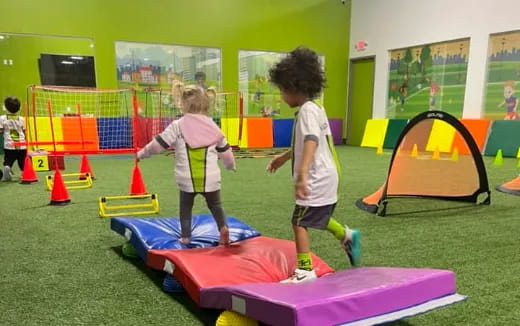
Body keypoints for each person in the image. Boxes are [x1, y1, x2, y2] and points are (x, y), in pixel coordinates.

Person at [266, 47, 361, 284]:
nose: (282, 96)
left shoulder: (307, 111)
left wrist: (302, 173)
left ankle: (306, 271)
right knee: (315, 214)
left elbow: (311, 140)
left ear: (293, 87)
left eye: (282, 91)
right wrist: (285, 158)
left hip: (316, 176)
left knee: (299, 221)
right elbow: (308, 142)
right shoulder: (317, 108)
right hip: (329, 175)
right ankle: (346, 236)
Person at [137, 83, 235, 246]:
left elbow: (157, 145)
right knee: (215, 205)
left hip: (186, 178)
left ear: (182, 104)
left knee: (185, 208)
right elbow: (225, 150)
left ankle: (186, 237)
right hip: (210, 178)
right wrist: (230, 165)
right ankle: (223, 228)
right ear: (206, 104)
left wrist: (141, 154)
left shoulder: (177, 125)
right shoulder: (212, 126)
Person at [0, 96, 27, 181]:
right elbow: (24, 131)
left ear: (5, 107)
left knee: (8, 159)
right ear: (19, 108)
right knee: (22, 161)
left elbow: (0, 131)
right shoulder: (22, 119)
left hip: (10, 145)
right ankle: (24, 173)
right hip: (22, 144)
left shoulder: (2, 118)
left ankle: (7, 167)